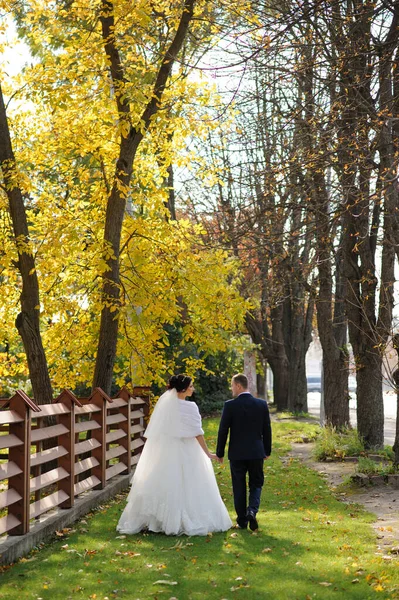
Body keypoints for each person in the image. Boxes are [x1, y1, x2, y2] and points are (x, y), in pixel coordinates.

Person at [117, 374, 232, 536]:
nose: (193, 389)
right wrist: (208, 454)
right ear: (183, 389)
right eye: (191, 386)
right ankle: (183, 520)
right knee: (190, 484)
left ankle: (158, 520)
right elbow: (197, 433)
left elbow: (159, 433)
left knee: (166, 482)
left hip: (168, 451)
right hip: (188, 450)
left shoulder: (165, 407)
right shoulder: (191, 407)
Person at [216, 373, 272, 531]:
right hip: (256, 452)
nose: (231, 389)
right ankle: (252, 511)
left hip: (237, 454)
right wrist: (267, 450)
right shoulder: (261, 405)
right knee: (256, 483)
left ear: (239, 386)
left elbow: (223, 431)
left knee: (238, 485)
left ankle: (242, 521)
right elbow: (266, 430)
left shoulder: (230, 405)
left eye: (232, 385)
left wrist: (220, 452)